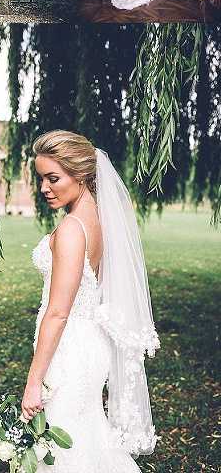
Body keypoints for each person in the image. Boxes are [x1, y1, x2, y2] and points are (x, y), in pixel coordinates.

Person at [23, 131, 159, 470]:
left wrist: (33, 382)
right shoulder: (97, 219)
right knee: (85, 434)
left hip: (70, 350)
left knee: (61, 439)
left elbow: (57, 312)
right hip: (87, 342)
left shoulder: (71, 229)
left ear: (81, 175)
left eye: (53, 178)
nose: (44, 188)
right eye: (41, 178)